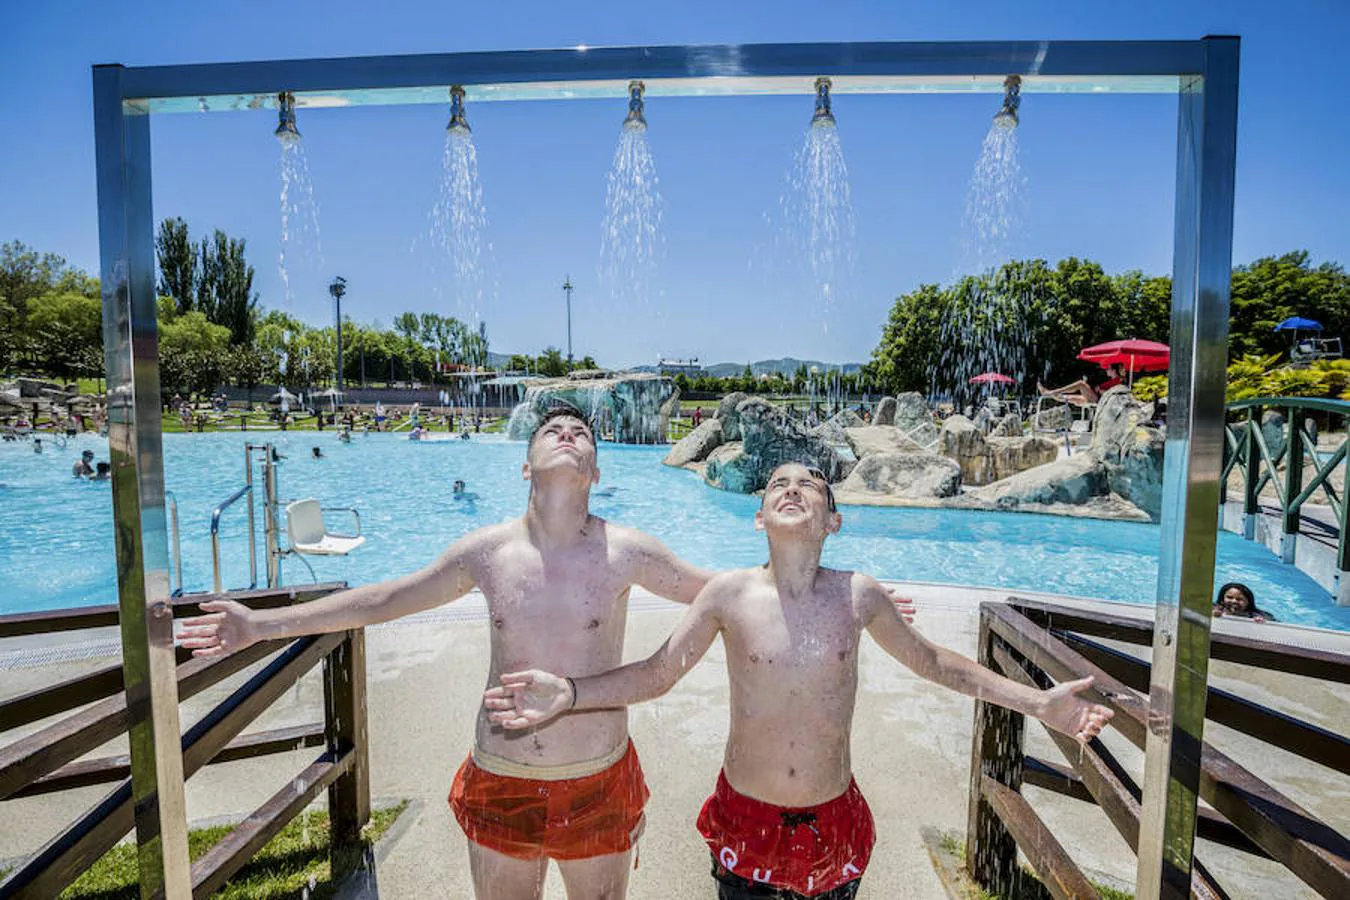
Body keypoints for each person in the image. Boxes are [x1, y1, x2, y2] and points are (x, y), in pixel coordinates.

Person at [485, 462, 1113, 900]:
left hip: (834, 819)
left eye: (809, 484)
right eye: (777, 484)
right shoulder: (729, 593)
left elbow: (936, 663)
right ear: (758, 517)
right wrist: (570, 693)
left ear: (832, 521)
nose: (791, 489)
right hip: (744, 816)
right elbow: (657, 673)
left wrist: (1039, 704)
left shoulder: (858, 594)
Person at [178, 404, 719, 900]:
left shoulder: (627, 552)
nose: (567, 434)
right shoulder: (487, 552)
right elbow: (387, 598)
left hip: (598, 777)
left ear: (596, 471)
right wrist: (260, 625)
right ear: (526, 467)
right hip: (504, 773)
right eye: (551, 430)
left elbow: (723, 594)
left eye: (581, 433)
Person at [1038, 363, 1125, 408]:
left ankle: (1050, 392)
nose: (1106, 370)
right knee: (1067, 398)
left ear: (1114, 370)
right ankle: (1050, 394)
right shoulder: (1113, 380)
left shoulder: (1118, 381)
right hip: (1097, 398)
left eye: (1108, 368)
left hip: (1098, 400)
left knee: (1081, 384)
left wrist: (1101, 390)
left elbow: (1115, 394)